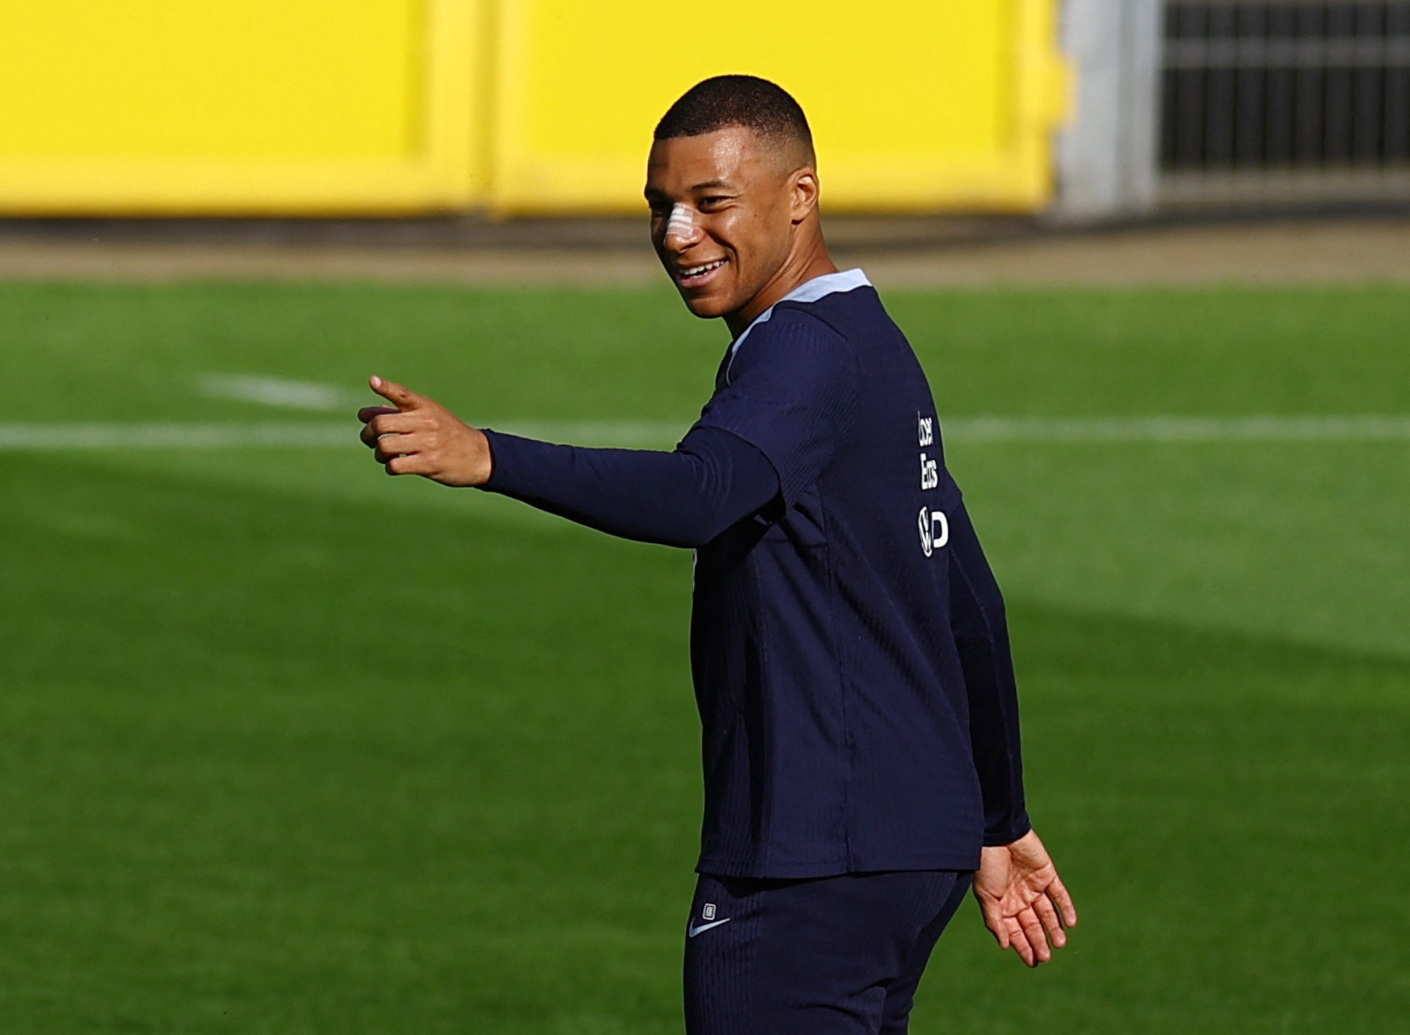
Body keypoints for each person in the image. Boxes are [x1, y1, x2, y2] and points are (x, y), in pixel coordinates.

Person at [358, 74, 1076, 1034]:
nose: (676, 234)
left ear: (799, 197)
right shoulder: (873, 342)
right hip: (903, 847)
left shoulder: (803, 353)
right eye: (660, 206)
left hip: (809, 855)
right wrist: (998, 817)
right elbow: (969, 600)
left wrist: (487, 456)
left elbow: (700, 494)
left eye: (710, 203)